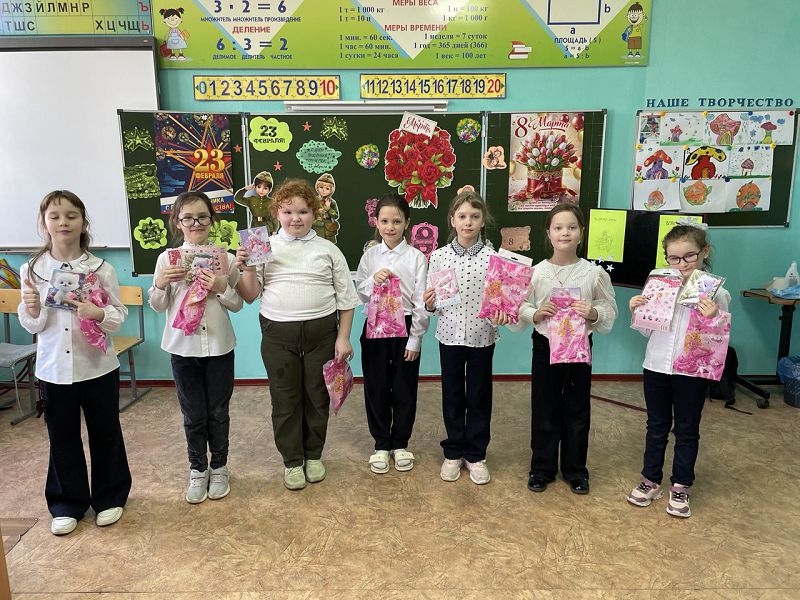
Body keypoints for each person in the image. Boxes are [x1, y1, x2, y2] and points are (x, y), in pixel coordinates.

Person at [18, 190, 131, 536]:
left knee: (105, 431)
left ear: (83, 222)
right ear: (44, 223)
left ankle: (110, 497)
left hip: (97, 366)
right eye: (54, 216)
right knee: (62, 435)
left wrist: (99, 313)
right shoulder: (32, 270)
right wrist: (32, 308)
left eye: (71, 215)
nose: (63, 222)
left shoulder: (101, 268)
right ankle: (67, 503)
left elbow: (119, 316)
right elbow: (34, 326)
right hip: (53, 369)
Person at [236, 178, 359, 490]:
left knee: (317, 396)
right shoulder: (262, 245)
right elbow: (250, 295)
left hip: (322, 334)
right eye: (288, 211)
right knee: (285, 398)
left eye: (303, 211)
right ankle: (292, 460)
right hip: (278, 335)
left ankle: (313, 455)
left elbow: (346, 300)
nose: (295, 218)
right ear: (277, 212)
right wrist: (247, 268)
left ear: (314, 213)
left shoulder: (328, 249)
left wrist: (343, 337)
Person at [513, 203, 617, 495]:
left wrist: (593, 312)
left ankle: (575, 470)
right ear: (548, 233)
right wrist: (535, 313)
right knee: (544, 406)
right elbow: (519, 305)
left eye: (572, 227)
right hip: (545, 344)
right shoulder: (536, 272)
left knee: (577, 408)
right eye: (558, 227)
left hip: (579, 346)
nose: (565, 233)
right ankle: (542, 468)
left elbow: (609, 308)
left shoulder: (593, 273)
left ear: (581, 232)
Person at [627, 223, 729, 518]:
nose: (682, 264)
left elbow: (719, 339)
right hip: (656, 365)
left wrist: (714, 316)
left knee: (686, 429)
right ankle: (650, 480)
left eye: (689, 256)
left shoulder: (717, 292)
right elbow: (647, 331)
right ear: (666, 257)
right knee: (656, 425)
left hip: (692, 371)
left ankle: (681, 485)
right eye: (674, 258)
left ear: (704, 252)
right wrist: (637, 310)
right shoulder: (659, 284)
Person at [148, 191, 242, 504]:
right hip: (183, 348)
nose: (195, 223)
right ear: (177, 222)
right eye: (187, 218)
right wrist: (160, 283)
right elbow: (158, 305)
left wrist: (222, 287)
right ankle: (198, 468)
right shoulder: (167, 259)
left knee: (218, 411)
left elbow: (238, 304)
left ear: (211, 220)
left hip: (219, 346)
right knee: (193, 414)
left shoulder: (225, 258)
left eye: (202, 217)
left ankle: (220, 467)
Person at [423, 189, 508, 485]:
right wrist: (429, 303)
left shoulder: (494, 259)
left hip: (482, 337)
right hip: (449, 336)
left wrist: (502, 312)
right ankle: (454, 451)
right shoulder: (439, 257)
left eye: (474, 216)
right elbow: (433, 305)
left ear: (483, 220)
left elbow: (501, 301)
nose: (468, 222)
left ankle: (476, 454)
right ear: (452, 220)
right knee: (453, 395)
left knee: (479, 396)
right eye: (462, 216)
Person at [355, 194, 429, 474]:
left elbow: (421, 300)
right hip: (376, 324)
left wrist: (416, 337)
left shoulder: (416, 257)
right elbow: (360, 292)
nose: (390, 227)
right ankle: (381, 444)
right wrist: (372, 281)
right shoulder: (370, 256)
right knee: (376, 385)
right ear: (376, 222)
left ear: (407, 223)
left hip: (405, 326)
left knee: (404, 387)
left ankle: (400, 443)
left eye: (396, 221)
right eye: (384, 221)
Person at [312, 173, 340, 243]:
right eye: (321, 187)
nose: (324, 191)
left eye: (327, 189)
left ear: (331, 190)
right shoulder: (314, 200)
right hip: (316, 226)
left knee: (329, 244)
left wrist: (329, 209)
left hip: (328, 228)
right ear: (317, 188)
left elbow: (336, 216)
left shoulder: (332, 202)